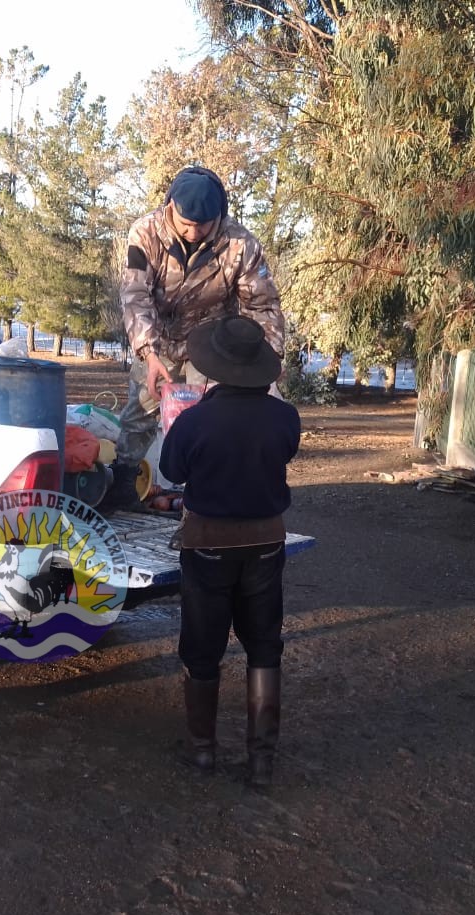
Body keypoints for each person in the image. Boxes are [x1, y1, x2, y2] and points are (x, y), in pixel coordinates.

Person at [159, 315, 301, 789]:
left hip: (208, 547)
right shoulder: (285, 417)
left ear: (213, 367)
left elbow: (171, 471)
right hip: (265, 543)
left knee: (203, 649)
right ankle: (262, 759)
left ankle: (203, 751)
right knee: (264, 646)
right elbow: (284, 453)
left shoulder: (195, 419)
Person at [106, 165, 287, 507]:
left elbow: (261, 305)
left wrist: (270, 357)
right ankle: (124, 480)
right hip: (157, 341)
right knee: (140, 412)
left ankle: (204, 499)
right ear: (171, 206)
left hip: (212, 345)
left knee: (213, 421)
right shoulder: (144, 234)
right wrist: (148, 353)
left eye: (202, 225)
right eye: (185, 223)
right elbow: (135, 295)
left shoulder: (241, 244)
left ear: (218, 216)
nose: (192, 232)